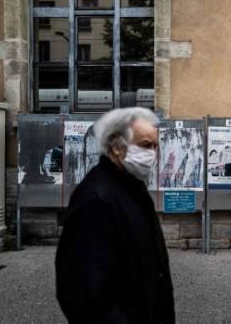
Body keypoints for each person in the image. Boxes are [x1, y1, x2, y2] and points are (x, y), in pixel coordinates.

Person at [55, 107, 175, 323]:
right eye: (146, 145)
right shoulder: (95, 198)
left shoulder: (132, 186)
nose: (153, 154)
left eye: (156, 146)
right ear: (117, 147)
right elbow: (82, 291)